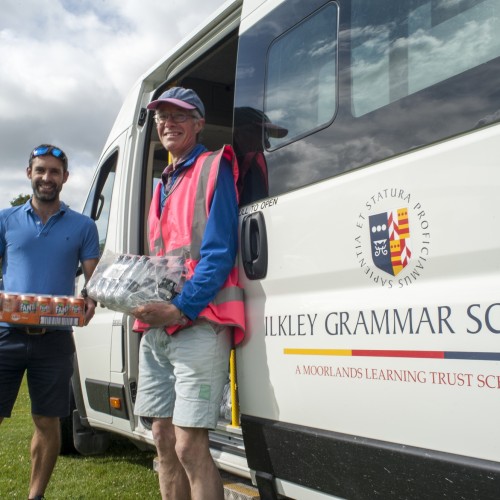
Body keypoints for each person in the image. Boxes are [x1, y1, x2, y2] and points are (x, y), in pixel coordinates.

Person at [131, 87, 245, 500]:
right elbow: (162, 259)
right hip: (157, 328)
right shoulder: (163, 183)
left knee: (188, 446)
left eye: (178, 115)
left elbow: (219, 254)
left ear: (199, 123)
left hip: (197, 321)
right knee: (161, 439)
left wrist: (179, 309)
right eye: (161, 116)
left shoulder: (213, 167)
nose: (167, 123)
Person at [0, 144, 100, 500]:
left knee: (47, 421)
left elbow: (95, 280)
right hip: (5, 335)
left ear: (65, 178)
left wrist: (90, 298)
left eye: (54, 172)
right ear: (29, 173)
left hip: (55, 339)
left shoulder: (83, 226)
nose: (47, 177)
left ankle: (35, 496)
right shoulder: (5, 219)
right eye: (40, 170)